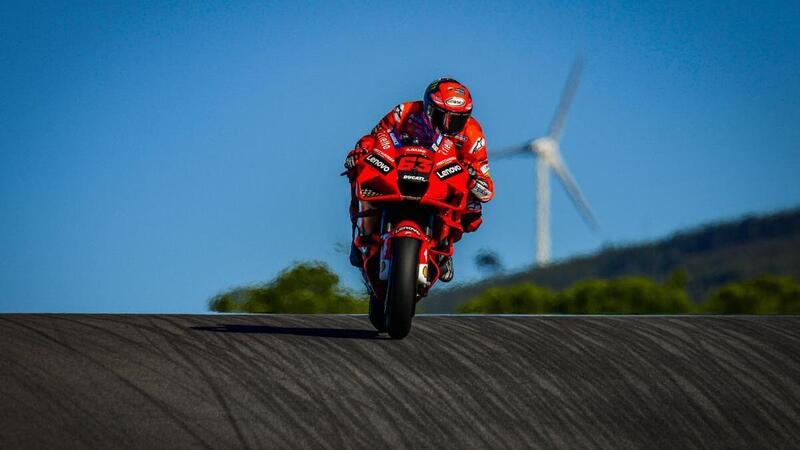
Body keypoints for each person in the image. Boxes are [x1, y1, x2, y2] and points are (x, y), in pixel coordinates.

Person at [344, 78, 494, 282]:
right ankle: (360, 232)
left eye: (457, 119)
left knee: (474, 211)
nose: (448, 125)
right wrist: (360, 151)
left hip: (441, 179)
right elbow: (375, 138)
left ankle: (444, 247)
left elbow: (486, 184)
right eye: (442, 116)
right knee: (359, 171)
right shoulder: (404, 112)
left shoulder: (473, 134)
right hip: (398, 169)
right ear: (429, 108)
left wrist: (475, 181)